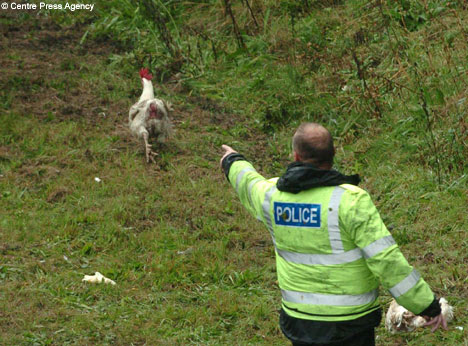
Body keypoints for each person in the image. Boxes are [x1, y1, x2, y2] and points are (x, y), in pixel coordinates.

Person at [219, 123, 447, 345]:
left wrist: (232, 160)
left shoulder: (272, 197)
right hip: (351, 324)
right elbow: (387, 261)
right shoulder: (351, 201)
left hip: (300, 321)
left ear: (295, 156)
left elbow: (247, 182)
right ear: (333, 155)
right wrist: (426, 306)